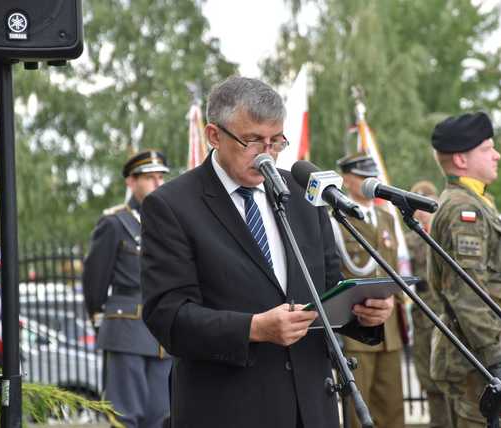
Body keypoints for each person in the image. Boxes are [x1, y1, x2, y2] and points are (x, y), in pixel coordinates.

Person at [140, 76, 395, 428]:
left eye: (276, 142)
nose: (267, 154)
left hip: (311, 407)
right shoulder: (172, 206)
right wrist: (253, 328)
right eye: (253, 141)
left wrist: (364, 313)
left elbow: (327, 290)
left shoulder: (303, 194)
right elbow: (168, 317)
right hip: (228, 409)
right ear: (214, 135)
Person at [427, 112, 501, 427]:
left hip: (487, 354)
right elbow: (466, 293)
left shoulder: (477, 202)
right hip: (479, 361)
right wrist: (496, 360)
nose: (496, 155)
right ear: (460, 159)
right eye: (487, 149)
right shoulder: (463, 209)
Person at [83, 150, 172, 428]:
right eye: (149, 178)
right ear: (130, 183)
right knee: (125, 416)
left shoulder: (169, 223)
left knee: (161, 417)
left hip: (163, 337)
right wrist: (100, 319)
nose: (158, 183)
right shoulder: (114, 223)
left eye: (161, 177)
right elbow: (95, 280)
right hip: (127, 330)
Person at [333, 153, 405, 428]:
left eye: (371, 177)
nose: (369, 183)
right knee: (358, 412)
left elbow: (393, 269)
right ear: (348, 180)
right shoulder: (337, 219)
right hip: (357, 329)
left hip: (390, 329)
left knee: (392, 408)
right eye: (363, 177)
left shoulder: (386, 218)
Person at [405, 180, 450, 428]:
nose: (421, 211)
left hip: (450, 315)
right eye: (416, 206)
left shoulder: (448, 234)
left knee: (455, 376)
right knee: (430, 378)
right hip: (424, 317)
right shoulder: (410, 241)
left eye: (425, 204)